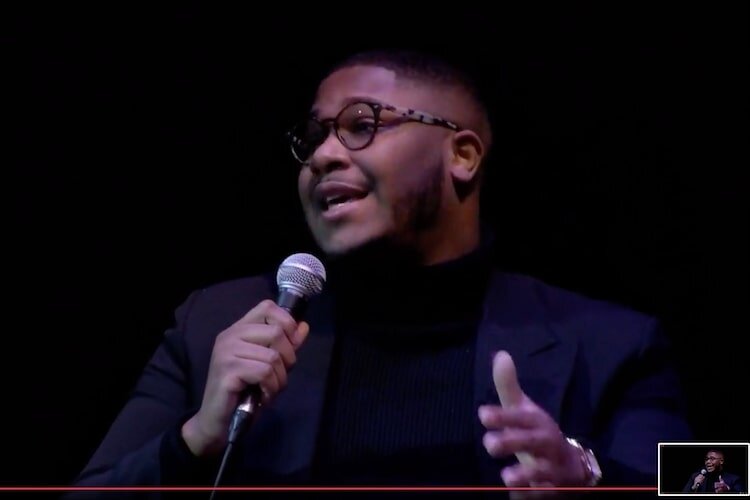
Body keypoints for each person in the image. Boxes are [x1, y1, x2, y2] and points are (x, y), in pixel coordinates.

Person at [67, 48, 692, 496]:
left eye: (361, 126)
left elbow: (718, 486)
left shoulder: (612, 342)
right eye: (313, 137)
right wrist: (195, 439)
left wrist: (591, 479)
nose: (323, 155)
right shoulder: (214, 326)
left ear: (463, 155)